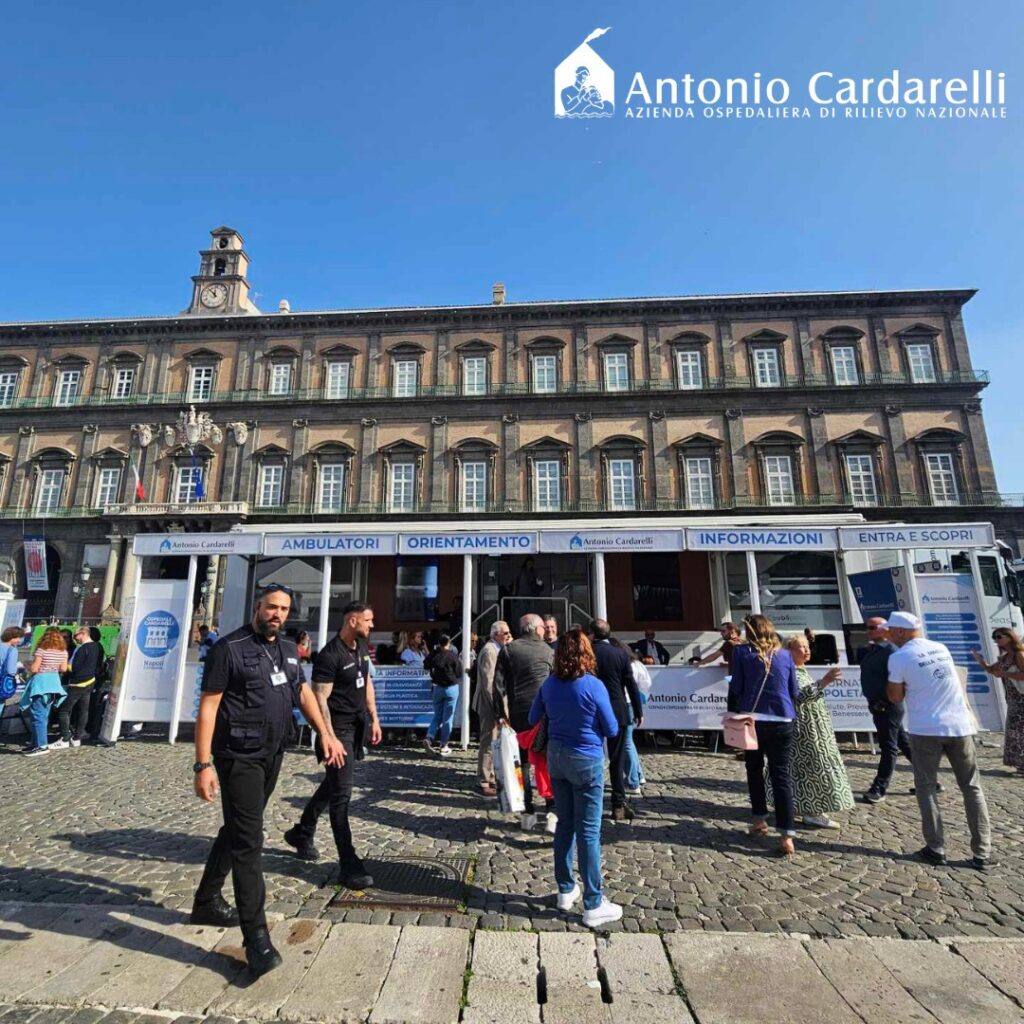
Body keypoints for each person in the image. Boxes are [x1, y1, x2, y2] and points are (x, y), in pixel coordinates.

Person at [191, 584, 344, 978]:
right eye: (271, 607)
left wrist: (325, 732)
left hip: (272, 753)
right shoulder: (230, 648)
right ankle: (255, 937)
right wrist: (202, 764)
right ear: (257, 607)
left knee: (239, 826)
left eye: (284, 609)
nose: (277, 614)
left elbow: (303, 692)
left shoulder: (288, 649)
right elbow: (208, 707)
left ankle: (207, 900)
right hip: (237, 755)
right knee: (249, 839)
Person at [886, 611, 995, 870]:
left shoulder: (899, 657)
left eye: (891, 630)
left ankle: (936, 848)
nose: (889, 635)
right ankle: (983, 852)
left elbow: (895, 697)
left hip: (926, 728)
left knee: (926, 787)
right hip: (960, 725)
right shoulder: (940, 648)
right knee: (971, 787)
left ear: (901, 631)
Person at [284, 602, 382, 889]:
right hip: (336, 731)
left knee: (332, 785)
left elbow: (367, 684)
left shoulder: (361, 648)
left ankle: (303, 831)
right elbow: (319, 699)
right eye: (368, 620)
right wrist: (329, 736)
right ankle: (349, 865)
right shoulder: (330, 655)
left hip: (357, 727)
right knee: (341, 794)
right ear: (352, 621)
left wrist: (374, 718)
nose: (372, 625)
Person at [529, 628, 621, 928]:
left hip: (557, 757)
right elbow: (611, 728)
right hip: (586, 759)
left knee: (565, 825)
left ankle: (565, 888)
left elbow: (533, 719)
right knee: (589, 831)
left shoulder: (549, 684)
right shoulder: (593, 686)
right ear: (586, 653)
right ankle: (594, 902)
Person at [728, 614, 800, 857]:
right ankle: (787, 834)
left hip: (753, 718)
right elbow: (793, 690)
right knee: (781, 775)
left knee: (754, 769)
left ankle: (759, 819)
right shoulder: (785, 655)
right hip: (782, 717)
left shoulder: (741, 653)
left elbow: (736, 686)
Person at [764, 635, 854, 829]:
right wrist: (824, 682)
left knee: (803, 770)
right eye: (801, 647)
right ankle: (812, 811)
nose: (806, 650)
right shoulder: (791, 671)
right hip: (806, 731)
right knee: (814, 768)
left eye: (807, 647)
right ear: (789, 651)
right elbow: (799, 696)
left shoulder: (799, 670)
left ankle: (802, 807)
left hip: (812, 727)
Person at [493, 612, 556, 831]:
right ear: (537, 628)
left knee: (521, 766)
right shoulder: (549, 651)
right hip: (545, 716)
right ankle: (552, 811)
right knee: (548, 764)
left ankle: (527, 812)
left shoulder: (509, 650)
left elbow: (497, 687)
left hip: (518, 717)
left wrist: (501, 715)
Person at [590, 619, 643, 822]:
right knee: (617, 758)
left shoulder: (587, 653)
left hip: (592, 710)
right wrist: (638, 710)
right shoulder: (620, 654)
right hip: (617, 709)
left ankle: (592, 801)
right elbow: (631, 685)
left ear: (592, 634)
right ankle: (618, 804)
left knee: (592, 755)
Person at [857, 617, 914, 803]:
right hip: (876, 703)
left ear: (884, 629)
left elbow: (897, 680)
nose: (869, 630)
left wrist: (884, 700)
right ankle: (930, 778)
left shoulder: (891, 652)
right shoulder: (873, 650)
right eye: (868, 628)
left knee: (888, 746)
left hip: (887, 705)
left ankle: (879, 788)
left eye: (873, 627)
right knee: (903, 742)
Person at [971, 627, 1024, 773]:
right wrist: (980, 661)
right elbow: (991, 670)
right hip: (1013, 698)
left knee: (1019, 731)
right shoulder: (1005, 657)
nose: (996, 640)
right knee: (1014, 731)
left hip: (1021, 697)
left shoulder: (1019, 654)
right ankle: (1019, 763)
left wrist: (1005, 673)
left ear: (1009, 637)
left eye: (999, 637)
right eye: (994, 637)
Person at [473, 620, 510, 796]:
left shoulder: (498, 649)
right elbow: (489, 683)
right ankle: (484, 780)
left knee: (495, 741)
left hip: (494, 702)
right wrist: (498, 709)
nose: (509, 636)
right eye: (506, 633)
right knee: (488, 741)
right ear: (495, 634)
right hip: (489, 704)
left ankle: (492, 776)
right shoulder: (489, 651)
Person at [19, 628, 69, 757]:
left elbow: (35, 668)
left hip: (41, 683)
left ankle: (42, 745)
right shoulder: (63, 652)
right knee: (43, 715)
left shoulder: (42, 650)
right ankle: (35, 744)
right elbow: (63, 668)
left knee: (37, 715)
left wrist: (27, 665)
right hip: (54, 683)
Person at [610, 637, 650, 796]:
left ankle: (633, 780)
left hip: (624, 703)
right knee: (628, 741)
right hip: (632, 704)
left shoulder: (622, 664)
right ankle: (638, 775)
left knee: (626, 743)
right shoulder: (637, 664)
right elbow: (646, 685)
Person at [53, 625, 102, 749]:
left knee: (64, 710)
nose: (75, 639)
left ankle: (65, 738)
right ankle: (77, 737)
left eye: (76, 635)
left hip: (77, 683)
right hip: (90, 682)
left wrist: (62, 666)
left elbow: (73, 667)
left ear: (83, 634)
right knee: (83, 710)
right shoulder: (96, 647)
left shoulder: (82, 648)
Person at [423, 634, 463, 756]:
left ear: (439, 643)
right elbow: (459, 672)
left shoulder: (434, 654)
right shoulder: (453, 656)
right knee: (448, 718)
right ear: (449, 643)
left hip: (437, 688)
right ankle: (444, 744)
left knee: (437, 716)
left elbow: (426, 665)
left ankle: (429, 737)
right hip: (451, 688)